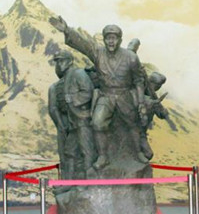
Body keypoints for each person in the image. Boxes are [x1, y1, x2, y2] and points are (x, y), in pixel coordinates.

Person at [49, 16, 147, 169]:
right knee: (97, 123)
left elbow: (138, 81)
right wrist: (67, 30)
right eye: (108, 38)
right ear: (104, 40)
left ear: (120, 40)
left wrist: (140, 103)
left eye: (114, 38)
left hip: (124, 95)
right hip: (106, 95)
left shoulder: (131, 58)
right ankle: (103, 156)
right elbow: (83, 44)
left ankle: (138, 152)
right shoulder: (98, 52)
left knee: (133, 123)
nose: (111, 42)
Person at [47, 50, 95, 179]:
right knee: (70, 152)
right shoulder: (62, 81)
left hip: (83, 120)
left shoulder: (78, 73)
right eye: (57, 62)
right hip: (74, 122)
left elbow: (88, 92)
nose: (59, 64)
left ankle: (90, 181)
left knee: (87, 151)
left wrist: (72, 99)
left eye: (61, 61)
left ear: (69, 61)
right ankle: (69, 182)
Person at [139, 72, 170, 160]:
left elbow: (161, 113)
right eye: (158, 85)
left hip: (141, 133)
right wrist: (152, 102)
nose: (158, 88)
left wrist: (164, 112)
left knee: (148, 154)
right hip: (129, 131)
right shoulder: (138, 92)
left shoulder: (152, 95)